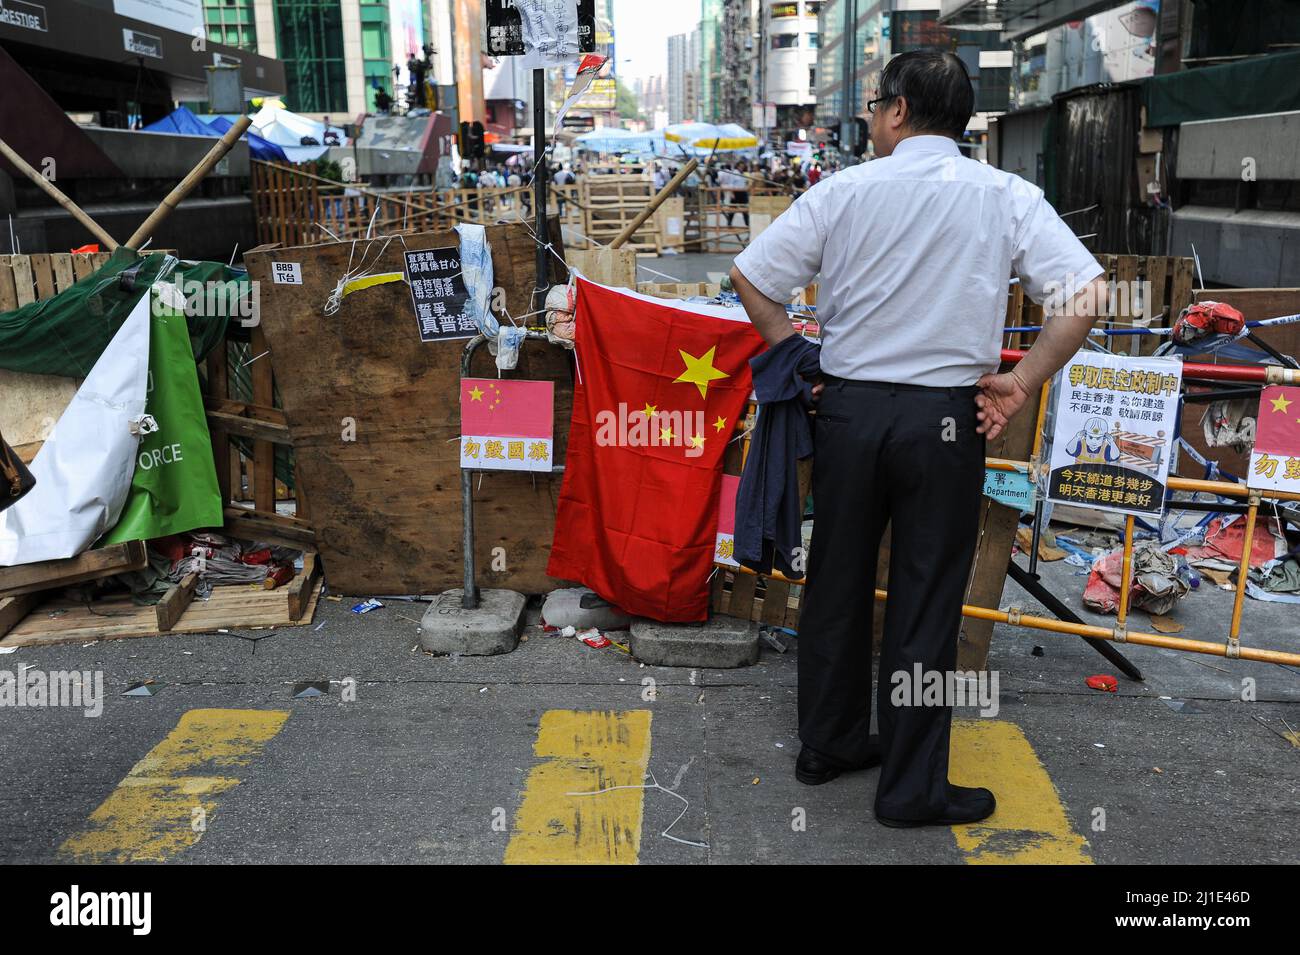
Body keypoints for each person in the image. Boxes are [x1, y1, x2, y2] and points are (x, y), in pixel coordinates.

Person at [729, 50, 1108, 828]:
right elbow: (1086, 295)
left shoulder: (845, 190)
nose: (870, 118)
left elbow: (753, 276)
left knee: (833, 577)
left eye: (874, 105)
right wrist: (1021, 380)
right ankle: (909, 786)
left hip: (849, 414)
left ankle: (827, 743)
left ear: (898, 111)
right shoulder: (1005, 195)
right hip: (945, 421)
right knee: (927, 599)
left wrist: (798, 360)